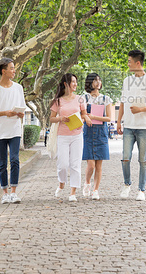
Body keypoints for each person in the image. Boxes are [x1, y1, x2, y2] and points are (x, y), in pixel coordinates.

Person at [117, 50, 146, 201]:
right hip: (128, 125)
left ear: (138, 63)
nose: (128, 64)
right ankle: (127, 184)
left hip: (144, 126)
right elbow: (122, 102)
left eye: (129, 61)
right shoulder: (127, 81)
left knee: (143, 160)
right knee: (125, 157)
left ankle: (141, 190)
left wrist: (140, 110)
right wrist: (118, 122)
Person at [0, 58, 26, 204]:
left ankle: (14, 192)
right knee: (2, 163)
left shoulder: (18, 88)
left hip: (14, 130)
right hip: (0, 131)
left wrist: (20, 114)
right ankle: (5, 193)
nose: (14, 71)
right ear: (4, 71)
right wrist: (5, 113)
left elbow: (23, 108)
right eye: (12, 68)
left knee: (14, 159)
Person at [49, 73, 91, 202]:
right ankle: (62, 182)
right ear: (66, 84)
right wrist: (61, 118)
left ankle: (73, 192)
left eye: (76, 82)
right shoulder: (57, 101)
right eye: (73, 82)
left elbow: (84, 114)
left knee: (75, 164)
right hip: (62, 136)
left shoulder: (80, 99)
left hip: (77, 135)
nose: (75, 84)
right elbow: (51, 119)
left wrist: (86, 119)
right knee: (62, 165)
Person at [81, 73, 113, 200]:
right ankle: (87, 183)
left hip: (101, 133)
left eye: (99, 80)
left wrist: (94, 117)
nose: (98, 82)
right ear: (89, 82)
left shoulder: (106, 99)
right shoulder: (83, 98)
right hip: (88, 132)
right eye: (95, 80)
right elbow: (81, 114)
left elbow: (109, 117)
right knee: (91, 164)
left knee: (99, 165)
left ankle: (96, 190)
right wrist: (87, 117)